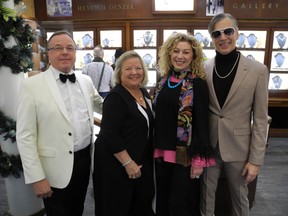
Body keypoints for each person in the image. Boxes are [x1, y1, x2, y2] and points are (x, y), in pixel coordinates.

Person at [16, 30, 103, 216]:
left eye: (69, 48)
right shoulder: (31, 85)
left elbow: (105, 107)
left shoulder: (85, 81)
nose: (64, 52)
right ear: (49, 53)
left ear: (75, 54)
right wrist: (37, 178)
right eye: (58, 48)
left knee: (77, 208)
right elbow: (25, 135)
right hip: (53, 168)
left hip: (84, 159)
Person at [200, 13, 269, 216]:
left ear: (237, 33)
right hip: (209, 145)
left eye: (228, 31)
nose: (223, 37)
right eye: (217, 33)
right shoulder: (204, 68)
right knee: (206, 197)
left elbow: (260, 118)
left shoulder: (258, 70)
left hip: (239, 148)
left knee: (240, 199)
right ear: (212, 38)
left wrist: (256, 160)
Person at [153, 32, 216, 216]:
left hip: (184, 157)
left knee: (179, 204)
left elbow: (202, 124)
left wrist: (198, 161)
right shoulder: (163, 81)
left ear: (193, 56)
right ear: (169, 53)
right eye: (176, 51)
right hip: (161, 153)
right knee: (162, 202)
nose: (180, 56)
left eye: (186, 52)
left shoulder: (198, 84)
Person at [93, 50, 155, 216]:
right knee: (118, 207)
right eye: (128, 69)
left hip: (139, 161)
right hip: (117, 166)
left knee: (140, 205)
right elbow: (110, 134)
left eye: (138, 68)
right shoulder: (115, 97)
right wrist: (128, 163)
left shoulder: (142, 92)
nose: (134, 72)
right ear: (119, 72)